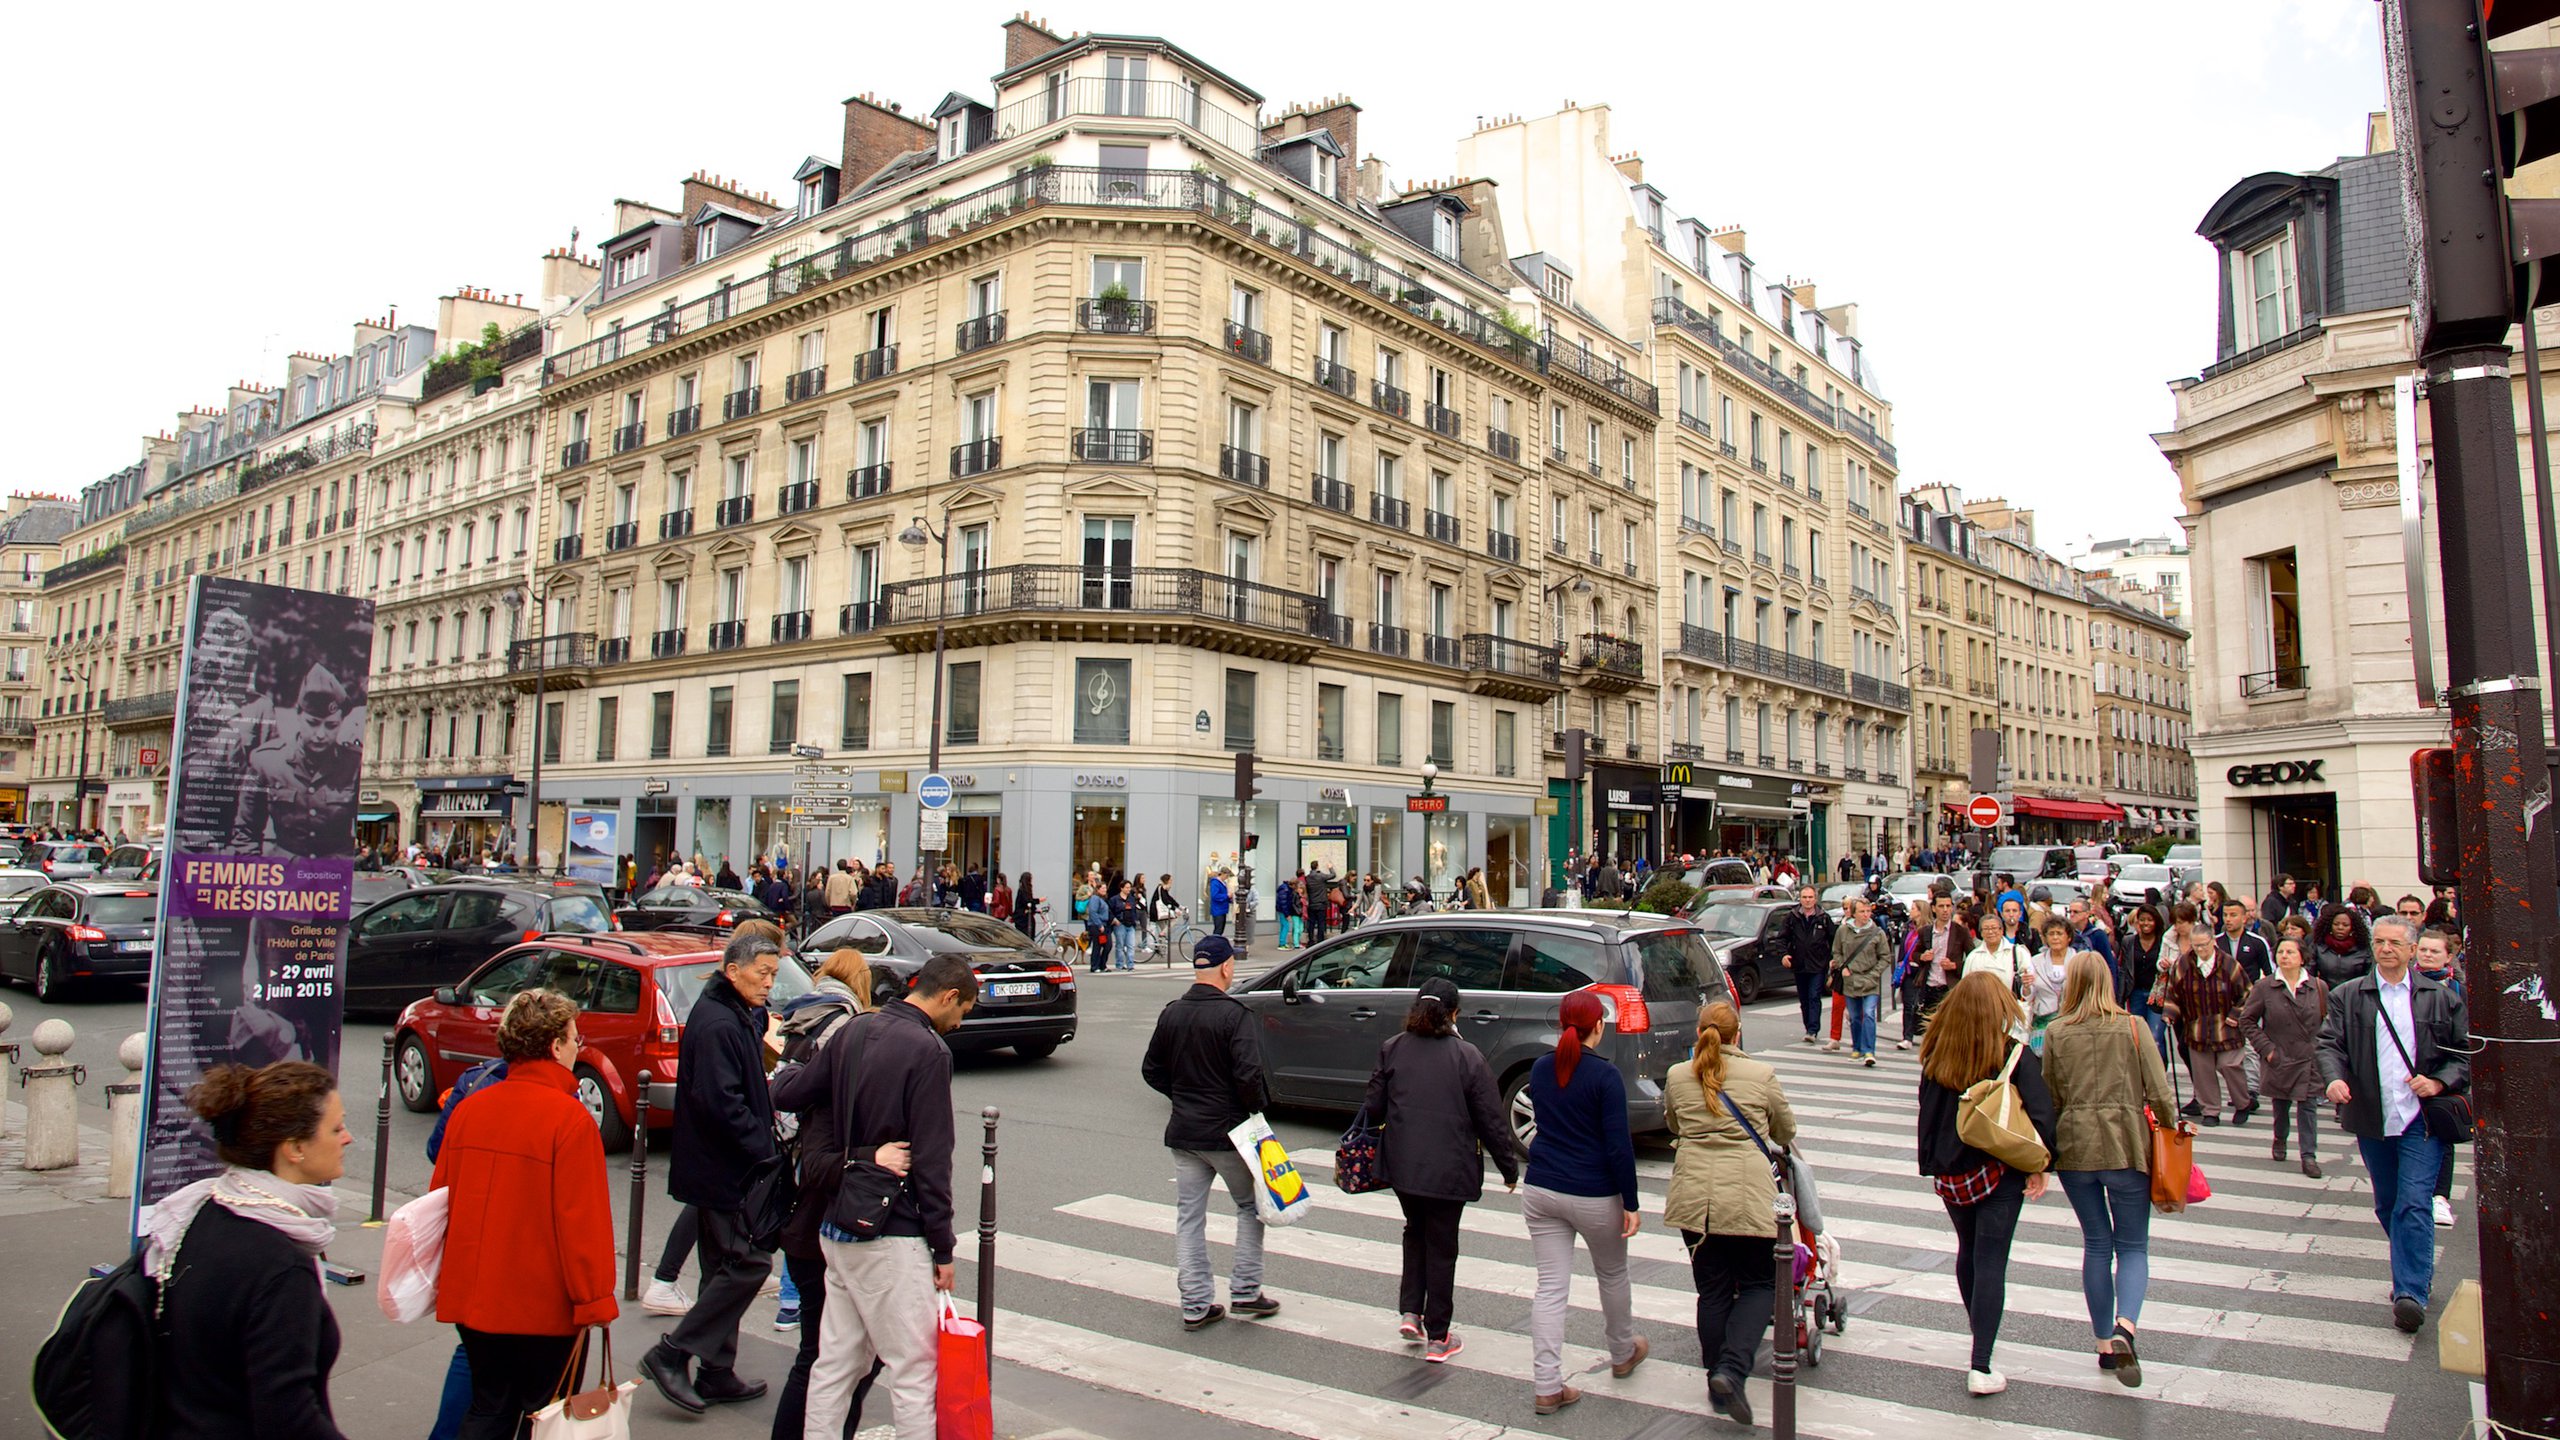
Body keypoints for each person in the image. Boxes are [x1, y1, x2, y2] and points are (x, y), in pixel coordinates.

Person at [775, 953, 979, 1438]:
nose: (960, 1021)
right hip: (892, 1229)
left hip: (837, 1224)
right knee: (913, 1369)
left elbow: (793, 1093)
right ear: (949, 996)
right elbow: (933, 1158)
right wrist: (944, 1246)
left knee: (835, 1363)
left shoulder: (854, 1029)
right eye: (964, 1010)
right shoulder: (928, 1051)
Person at [431, 991, 620, 1439]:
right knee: (545, 1417)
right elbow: (583, 1226)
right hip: (543, 1306)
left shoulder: (470, 1109)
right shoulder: (570, 1119)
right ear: (555, 1046)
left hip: (476, 1300)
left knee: (488, 1406)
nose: (579, 1047)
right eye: (575, 1038)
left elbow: (440, 1202)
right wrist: (594, 1300)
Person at [147, 1060, 353, 1440]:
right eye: (336, 1128)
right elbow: (288, 1420)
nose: (348, 1138)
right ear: (294, 1148)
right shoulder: (281, 1270)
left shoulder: (200, 1211)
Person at [642, 933, 784, 1414]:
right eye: (762, 973)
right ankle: (671, 1353)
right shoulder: (720, 1022)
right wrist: (766, 1150)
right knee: (747, 1265)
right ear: (733, 971)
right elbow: (724, 1104)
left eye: (773, 973)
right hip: (724, 1169)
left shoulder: (731, 1014)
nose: (769, 982)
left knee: (721, 1269)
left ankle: (716, 1371)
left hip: (717, 1166)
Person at [2317, 914, 2471, 1333]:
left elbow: (2463, 1055)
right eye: (2379, 942)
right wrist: (2333, 1079)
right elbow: (2329, 1043)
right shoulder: (2349, 995)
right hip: (2372, 1115)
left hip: (2421, 1119)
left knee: (2414, 1203)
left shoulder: (2441, 998)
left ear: (2411, 950)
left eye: (2394, 943)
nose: (2385, 949)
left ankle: (2409, 1294)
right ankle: (2415, 1265)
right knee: (2388, 1204)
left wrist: (2438, 1081)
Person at [1361, 976, 1521, 1362]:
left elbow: (1373, 1107)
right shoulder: (1468, 1057)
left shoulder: (1393, 1049)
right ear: (1453, 1014)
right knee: (1443, 1245)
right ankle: (1439, 1334)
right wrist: (1508, 1168)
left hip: (1402, 1164)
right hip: (1449, 1168)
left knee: (1414, 1231)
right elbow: (1491, 1120)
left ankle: (1411, 1313)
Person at [1917, 971, 2058, 1396]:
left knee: (1969, 1251)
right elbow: (2041, 1113)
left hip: (1952, 1173)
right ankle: (1981, 1362)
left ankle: (1979, 1332)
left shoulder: (1936, 1053)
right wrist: (2041, 1164)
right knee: (1993, 1258)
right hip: (1999, 1170)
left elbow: (1927, 1112)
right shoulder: (2012, 1054)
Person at [2040, 953, 2174, 1390]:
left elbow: (2050, 1094)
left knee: (2096, 1244)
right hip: (2126, 1144)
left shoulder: (2058, 1031)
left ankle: (2102, 1344)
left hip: (2076, 1146)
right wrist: (2172, 1133)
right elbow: (2159, 1090)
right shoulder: (2134, 1027)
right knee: (2133, 1245)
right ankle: (2125, 1327)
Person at [769, 951, 888, 1440]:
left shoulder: (806, 1016)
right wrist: (868, 1161)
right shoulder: (840, 1035)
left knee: (830, 1354)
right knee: (825, 1356)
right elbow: (821, 1160)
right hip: (814, 1221)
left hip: (804, 1208)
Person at [1139, 934, 1284, 1332]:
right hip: (1228, 1133)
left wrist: (1182, 1095)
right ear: (1225, 968)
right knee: (1250, 1206)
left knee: (1189, 1217)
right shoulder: (1234, 1015)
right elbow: (1249, 1075)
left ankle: (1196, 1304)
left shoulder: (1172, 1012)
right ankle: (1245, 1290)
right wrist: (1254, 1110)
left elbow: (1151, 1070)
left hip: (1185, 1132)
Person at [1662, 1001, 1794, 1426]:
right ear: (1738, 1035)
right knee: (1758, 1285)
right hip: (1748, 1195)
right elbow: (1785, 1130)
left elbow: (1674, 1124)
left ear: (1700, 1032)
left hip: (1695, 1200)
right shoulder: (1760, 1074)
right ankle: (1732, 1372)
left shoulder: (1679, 1075)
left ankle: (1714, 1381)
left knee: (1713, 1291)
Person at [1518, 991, 1647, 1416]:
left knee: (1550, 1288)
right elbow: (1618, 1147)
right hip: (1593, 1191)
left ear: (1561, 1025)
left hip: (1542, 1188)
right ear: (1598, 1026)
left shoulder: (1540, 1068)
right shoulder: (1605, 1077)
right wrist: (1630, 1201)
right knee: (1612, 1274)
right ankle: (1622, 1350)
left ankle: (1547, 1385)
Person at [2244, 935, 2331, 1179]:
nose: (2285, 956)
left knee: (2308, 1106)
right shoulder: (2265, 987)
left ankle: (2308, 1155)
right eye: (2281, 952)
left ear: (2303, 957)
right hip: (2280, 1056)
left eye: (2290, 952)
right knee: (2281, 1104)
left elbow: (2328, 1022)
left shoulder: (2318, 986)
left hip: (2309, 1058)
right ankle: (2280, 1138)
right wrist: (2267, 1049)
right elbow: (2247, 1020)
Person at [2155, 920, 2254, 1127]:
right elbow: (2173, 993)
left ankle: (2242, 1103)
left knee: (2230, 1065)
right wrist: (2170, 1013)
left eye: (2204, 945)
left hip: (2226, 1026)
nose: (2200, 950)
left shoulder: (2229, 964)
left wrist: (2236, 1014)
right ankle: (2210, 1110)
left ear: (2213, 942)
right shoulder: (2183, 964)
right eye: (2196, 945)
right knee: (2203, 1072)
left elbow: (2247, 993)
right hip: (2197, 1027)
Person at [2413, 927, 2466, 1226]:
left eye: (2435, 951)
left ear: (2448, 955)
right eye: (2424, 949)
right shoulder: (2404, 984)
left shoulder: (2458, 990)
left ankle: (2439, 1197)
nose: (2428, 955)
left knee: (2441, 1134)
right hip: (2409, 1072)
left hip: (2443, 1074)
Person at [1831, 896, 1892, 1064]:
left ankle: (1869, 1051)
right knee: (1855, 1016)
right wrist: (1842, 967)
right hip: (1851, 979)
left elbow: (1885, 957)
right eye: (1861, 912)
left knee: (1869, 1014)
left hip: (1870, 979)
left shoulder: (1877, 933)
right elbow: (1836, 951)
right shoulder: (1843, 931)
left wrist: (1875, 974)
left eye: (1868, 911)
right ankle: (1857, 1047)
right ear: (1853, 913)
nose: (1865, 915)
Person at [1779, 885, 1836, 1045]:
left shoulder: (1823, 918)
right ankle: (1808, 1027)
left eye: (1810, 897)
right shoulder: (1792, 917)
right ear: (1800, 899)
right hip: (1799, 964)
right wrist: (1784, 954)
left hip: (1818, 965)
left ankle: (1813, 1030)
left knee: (1814, 996)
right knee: (1804, 999)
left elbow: (1834, 939)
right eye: (1804, 897)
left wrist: (1832, 958)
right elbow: (1782, 938)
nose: (1807, 900)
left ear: (1815, 899)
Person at [2118, 903, 2172, 1060]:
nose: (2145, 923)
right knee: (2138, 1037)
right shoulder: (2129, 942)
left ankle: (2160, 1071)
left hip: (2157, 995)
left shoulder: (2163, 941)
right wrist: (2119, 998)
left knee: (2155, 1037)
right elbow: (2123, 970)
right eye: (2142, 920)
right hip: (2136, 994)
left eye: (2149, 920)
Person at [2024, 917, 2079, 1052]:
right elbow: (2028, 995)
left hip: (2072, 1020)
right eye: (2051, 934)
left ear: (2069, 937)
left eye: (2059, 933)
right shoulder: (2035, 961)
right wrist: (2026, 986)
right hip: (2042, 1021)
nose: (2055, 937)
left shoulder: (2078, 960)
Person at [2310, 904, 2373, 989]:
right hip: (2326, 995)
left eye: (2345, 925)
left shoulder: (2363, 948)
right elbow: (2309, 973)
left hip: (2354, 995)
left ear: (2352, 928)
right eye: (2336, 924)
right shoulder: (2318, 946)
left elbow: (2369, 976)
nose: (2340, 927)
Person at [1207, 867, 1232, 935]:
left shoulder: (1223, 883)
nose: (1227, 877)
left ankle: (1216, 944)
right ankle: (1214, 944)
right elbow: (1215, 896)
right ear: (1222, 874)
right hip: (1217, 910)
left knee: (1220, 930)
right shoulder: (1215, 883)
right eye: (1226, 876)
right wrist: (1227, 896)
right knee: (1218, 930)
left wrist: (1230, 898)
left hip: (1222, 909)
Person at [1013, 871, 1038, 939]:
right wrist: (1038, 901)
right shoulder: (1023, 891)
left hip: (1022, 917)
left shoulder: (1023, 890)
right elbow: (1028, 901)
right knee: (1027, 935)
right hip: (1023, 918)